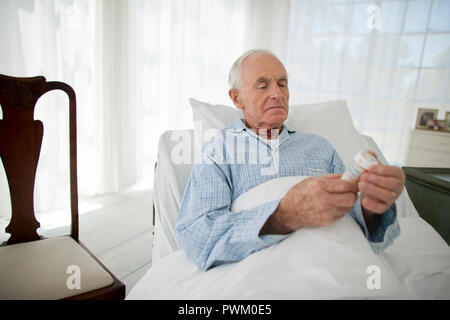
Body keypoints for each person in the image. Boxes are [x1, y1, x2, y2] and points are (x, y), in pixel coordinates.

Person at [175, 49, 404, 271]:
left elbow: (356, 226)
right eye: (263, 85)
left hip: (332, 264)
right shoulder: (219, 152)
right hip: (263, 273)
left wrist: (371, 210)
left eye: (282, 83)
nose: (277, 93)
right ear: (237, 98)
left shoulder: (320, 147)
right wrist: (283, 216)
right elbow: (198, 237)